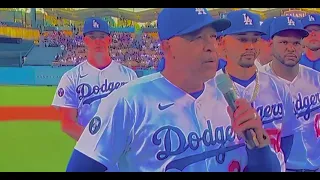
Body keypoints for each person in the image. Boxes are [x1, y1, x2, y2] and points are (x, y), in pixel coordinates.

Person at [66, 8, 281, 172]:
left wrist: (258, 145)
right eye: (197, 37)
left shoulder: (230, 97)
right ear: (167, 46)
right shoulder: (128, 101)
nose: (209, 46)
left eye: (212, 37)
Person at [204, 10, 300, 172]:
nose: (250, 46)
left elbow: (287, 137)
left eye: (255, 40)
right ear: (222, 43)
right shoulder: (208, 89)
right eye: (242, 39)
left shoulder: (278, 85)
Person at [51, 17, 138, 141]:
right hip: (88, 150)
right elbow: (67, 124)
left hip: (123, 150)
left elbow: (137, 115)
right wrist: (96, 143)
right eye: (92, 36)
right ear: (85, 40)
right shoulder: (71, 77)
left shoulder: (129, 75)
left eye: (102, 36)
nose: (98, 41)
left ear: (109, 39)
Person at [262, 16, 320, 172]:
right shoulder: (258, 83)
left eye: (296, 43)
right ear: (270, 44)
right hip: (281, 167)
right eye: (284, 42)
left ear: (302, 46)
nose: (290, 48)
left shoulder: (316, 79)